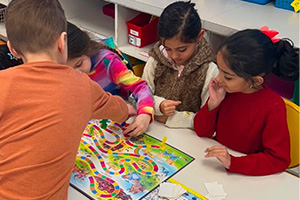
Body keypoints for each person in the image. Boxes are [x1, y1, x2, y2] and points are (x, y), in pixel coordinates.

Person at [0, 0, 136, 199]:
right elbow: (118, 109)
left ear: (12, 49)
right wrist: (130, 110)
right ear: (62, 42)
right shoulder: (83, 86)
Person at [194, 27, 299, 176]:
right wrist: (213, 104)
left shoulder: (273, 107)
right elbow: (201, 131)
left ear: (255, 81)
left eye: (228, 76)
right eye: (219, 70)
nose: (218, 79)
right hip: (218, 169)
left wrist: (233, 162)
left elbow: (278, 160)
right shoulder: (227, 92)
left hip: (245, 174)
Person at [66, 22, 154, 136]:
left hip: (117, 113)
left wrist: (145, 114)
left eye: (79, 64)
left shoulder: (108, 62)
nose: (76, 73)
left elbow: (140, 87)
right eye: (68, 70)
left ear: (87, 50)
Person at [142, 1, 218, 129]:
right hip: (155, 129)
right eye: (167, 49)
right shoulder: (156, 59)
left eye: (182, 50)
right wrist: (159, 105)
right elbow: (139, 95)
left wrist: (172, 118)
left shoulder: (210, 71)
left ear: (199, 36)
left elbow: (209, 121)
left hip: (188, 137)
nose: (174, 56)